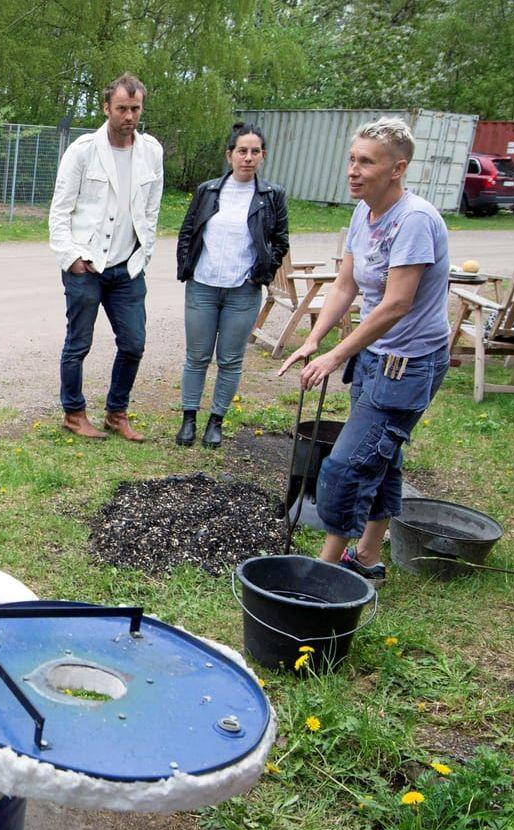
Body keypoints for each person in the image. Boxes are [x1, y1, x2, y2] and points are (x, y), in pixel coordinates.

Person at [278, 117, 451, 586]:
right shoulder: (363, 212)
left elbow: (396, 304)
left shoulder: (414, 221)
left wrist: (334, 357)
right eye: (352, 159)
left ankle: (323, 573)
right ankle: (368, 557)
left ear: (398, 168)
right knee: (384, 456)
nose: (353, 170)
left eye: (366, 162)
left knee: (345, 466)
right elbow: (346, 284)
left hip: (409, 364)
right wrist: (315, 339)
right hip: (376, 357)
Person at [49, 73, 164, 442]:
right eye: (121, 109)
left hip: (127, 268)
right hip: (87, 267)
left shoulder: (151, 152)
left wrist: (144, 253)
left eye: (135, 108)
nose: (129, 116)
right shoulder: (83, 150)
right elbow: (60, 210)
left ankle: (117, 412)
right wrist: (71, 258)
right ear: (106, 108)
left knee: (134, 343)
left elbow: (151, 208)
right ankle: (74, 412)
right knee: (78, 344)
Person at [175, 122, 290, 447]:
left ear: (263, 156)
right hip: (203, 287)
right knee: (197, 357)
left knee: (230, 359)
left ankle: (216, 421)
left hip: (243, 290)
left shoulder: (272, 195)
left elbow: (280, 241)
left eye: (255, 152)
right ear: (230, 155)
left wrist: (261, 274)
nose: (248, 158)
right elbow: (188, 233)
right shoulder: (208, 191)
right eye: (242, 151)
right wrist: (187, 268)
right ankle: (189, 419)